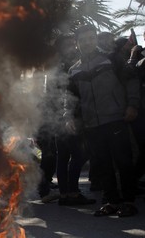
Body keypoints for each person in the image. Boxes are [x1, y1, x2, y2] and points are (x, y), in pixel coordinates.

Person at [66, 25, 139, 217]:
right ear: (77, 44)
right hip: (92, 125)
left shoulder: (112, 59)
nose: (87, 42)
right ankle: (111, 202)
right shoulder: (74, 70)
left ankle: (129, 202)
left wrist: (132, 105)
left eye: (91, 38)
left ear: (95, 39)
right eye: (83, 40)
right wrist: (69, 117)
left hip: (116, 119)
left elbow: (131, 80)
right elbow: (70, 98)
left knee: (123, 162)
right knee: (102, 164)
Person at [48, 34, 95, 206]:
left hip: (59, 115)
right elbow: (68, 92)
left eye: (73, 44)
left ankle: (65, 194)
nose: (72, 47)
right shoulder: (66, 65)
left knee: (65, 156)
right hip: (67, 115)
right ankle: (72, 194)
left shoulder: (55, 64)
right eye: (68, 44)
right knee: (76, 154)